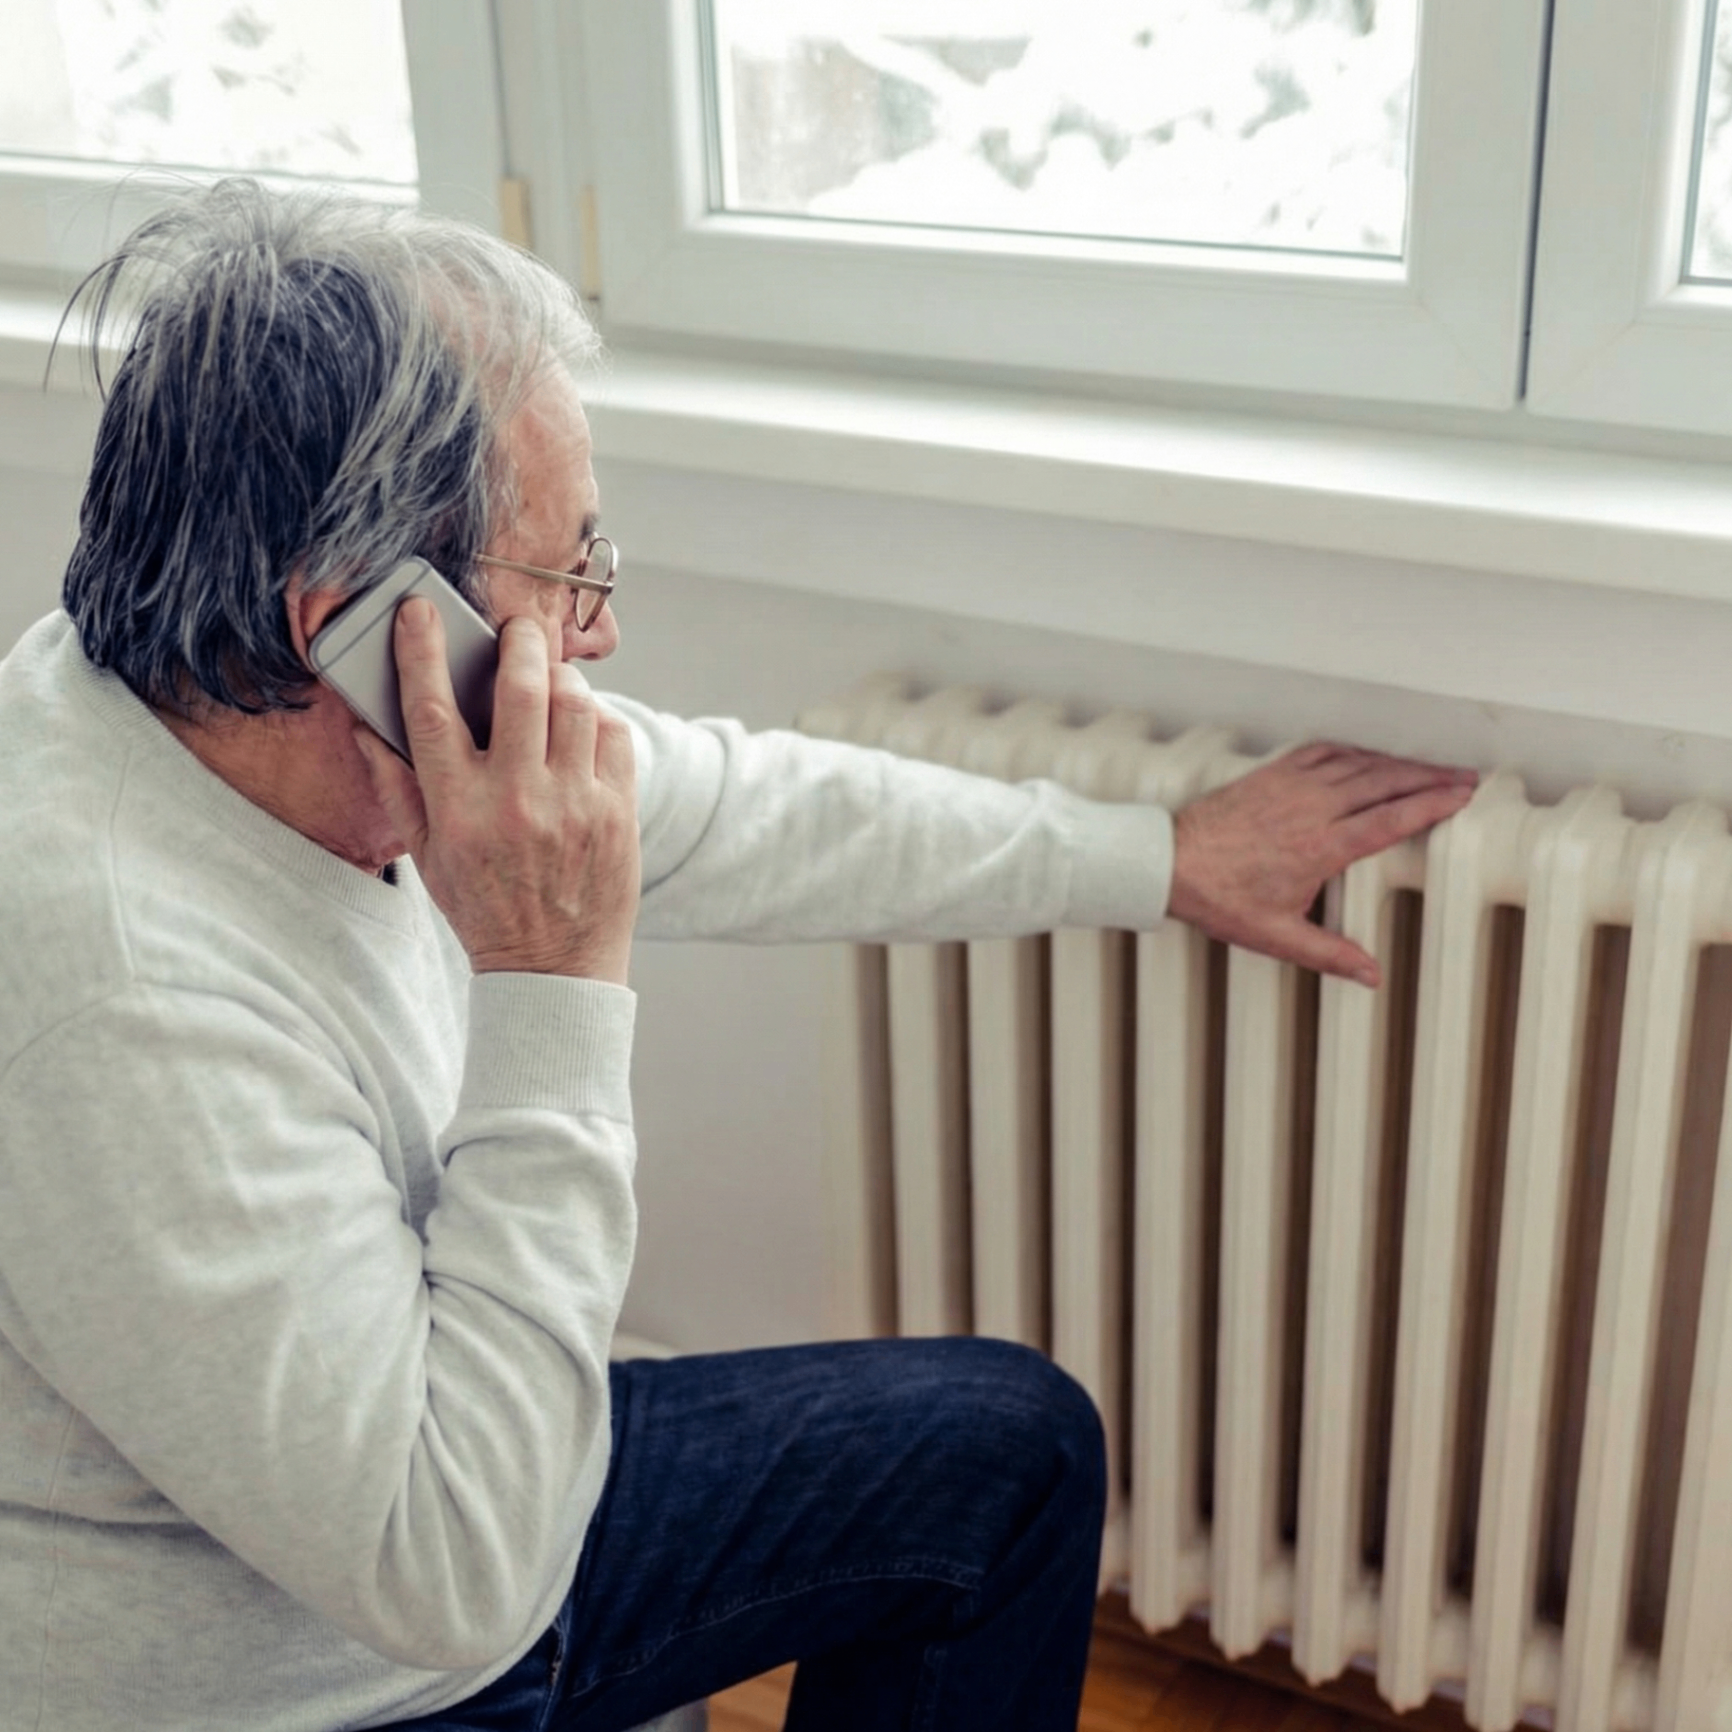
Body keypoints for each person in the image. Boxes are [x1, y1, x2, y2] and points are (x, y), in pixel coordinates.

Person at [0, 180, 1475, 1732]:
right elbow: (461, 1577)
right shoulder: (113, 994)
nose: (602, 635)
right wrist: (550, 978)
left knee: (1008, 1455)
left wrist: (1161, 856)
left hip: (442, 1473)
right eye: (571, 578)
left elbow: (740, 805)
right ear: (357, 631)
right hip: (341, 1673)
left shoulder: (197, 683)